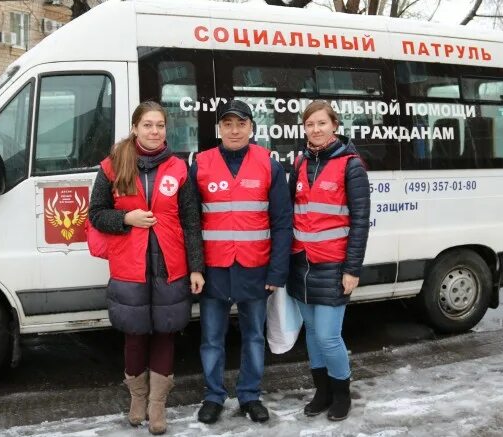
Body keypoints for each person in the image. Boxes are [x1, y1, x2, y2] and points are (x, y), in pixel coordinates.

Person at [87, 101, 205, 435]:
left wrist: (197, 267)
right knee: (136, 336)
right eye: (148, 125)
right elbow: (95, 213)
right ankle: (137, 399)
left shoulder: (179, 168)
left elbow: (191, 221)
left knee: (165, 334)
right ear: (135, 127)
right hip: (130, 267)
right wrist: (126, 218)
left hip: (172, 267)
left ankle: (157, 407)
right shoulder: (113, 166)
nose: (155, 131)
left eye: (160, 125)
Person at [191, 99, 293, 425]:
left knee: (253, 335)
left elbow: (281, 222)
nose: (234, 130)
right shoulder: (201, 164)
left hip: (255, 267)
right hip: (214, 269)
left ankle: (250, 395)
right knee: (211, 338)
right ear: (219, 128)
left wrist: (277, 270)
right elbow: (191, 222)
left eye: (241, 123)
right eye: (228, 124)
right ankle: (213, 396)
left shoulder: (269, 165)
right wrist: (195, 267)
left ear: (251, 127)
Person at [287, 100, 370, 421]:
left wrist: (352, 269)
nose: (316, 129)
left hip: (334, 265)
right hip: (302, 263)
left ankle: (341, 394)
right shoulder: (299, 163)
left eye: (321, 123)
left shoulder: (351, 165)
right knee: (311, 331)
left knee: (328, 335)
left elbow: (360, 221)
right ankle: (321, 391)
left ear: (334, 125)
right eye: (310, 124)